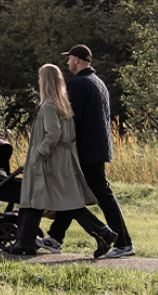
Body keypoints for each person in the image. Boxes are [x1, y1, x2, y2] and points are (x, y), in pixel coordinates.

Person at [8, 63, 118, 258]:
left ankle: (102, 232)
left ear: (46, 81)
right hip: (62, 160)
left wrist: (40, 153)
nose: (39, 81)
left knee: (54, 201)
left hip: (49, 162)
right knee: (40, 200)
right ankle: (25, 241)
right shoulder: (63, 104)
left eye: (41, 78)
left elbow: (52, 134)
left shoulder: (49, 106)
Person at [41, 45, 135, 258]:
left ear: (78, 60)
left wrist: (59, 144)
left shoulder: (80, 83)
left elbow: (71, 119)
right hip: (98, 147)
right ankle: (55, 238)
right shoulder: (98, 82)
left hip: (85, 150)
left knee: (103, 194)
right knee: (71, 191)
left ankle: (124, 242)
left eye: (70, 59)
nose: (67, 63)